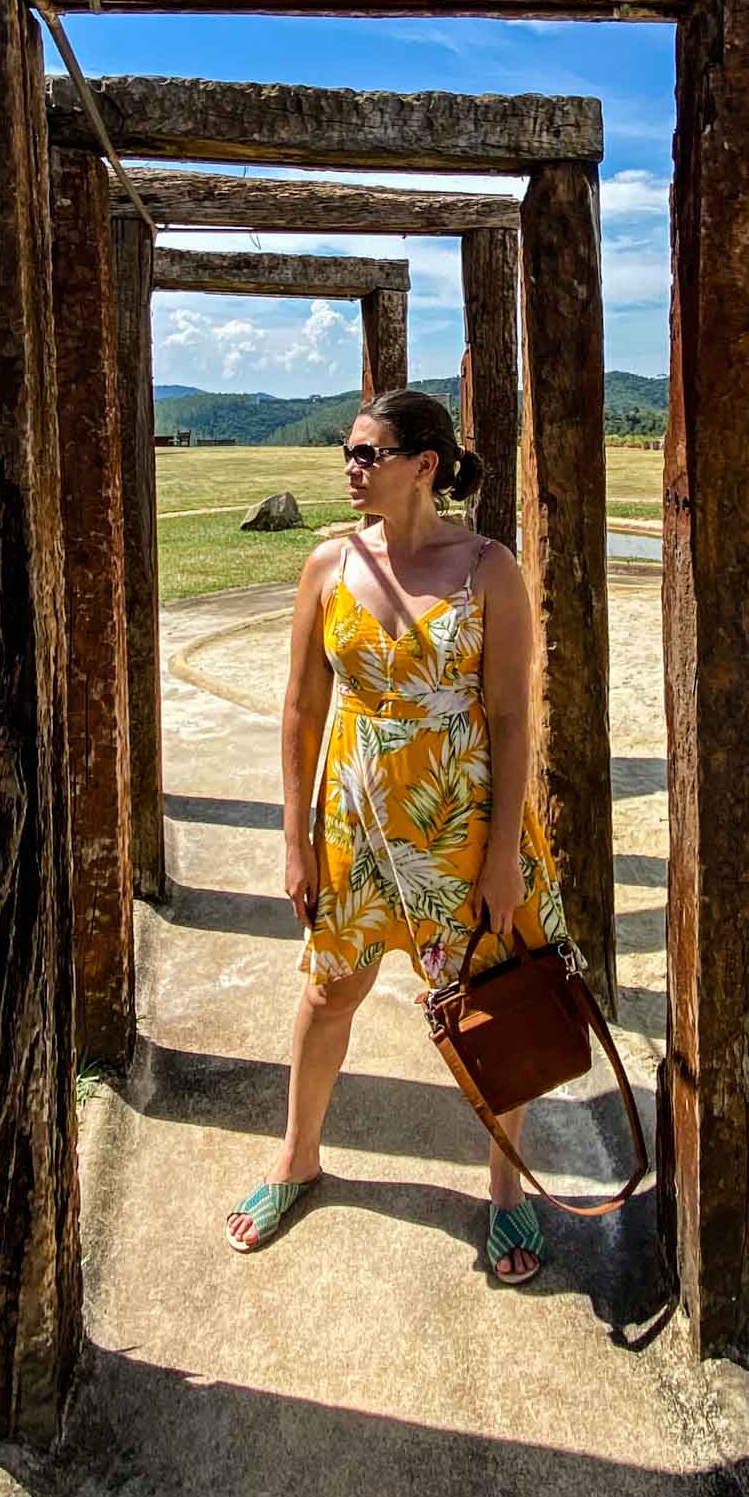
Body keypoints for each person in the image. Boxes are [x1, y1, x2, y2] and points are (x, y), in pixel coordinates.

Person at [224, 387, 575, 1283]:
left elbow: (508, 719)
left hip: (461, 827)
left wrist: (504, 857)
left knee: (489, 1005)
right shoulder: (326, 565)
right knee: (328, 991)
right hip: (353, 823)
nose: (350, 467)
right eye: (346, 451)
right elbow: (302, 710)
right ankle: (297, 1159)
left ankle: (506, 1189)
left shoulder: (489, 568)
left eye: (367, 454)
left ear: (425, 466)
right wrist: (295, 838)